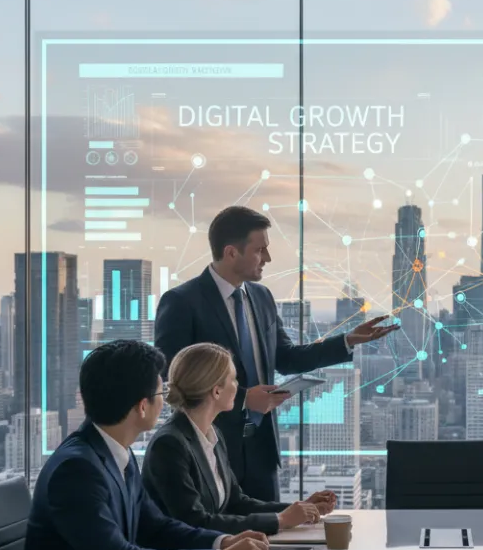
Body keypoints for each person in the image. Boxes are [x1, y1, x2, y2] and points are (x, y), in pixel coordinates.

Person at [155, 206, 395, 501]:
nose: (267, 259)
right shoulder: (182, 302)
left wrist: (347, 341)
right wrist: (244, 398)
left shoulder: (261, 297)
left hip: (262, 450)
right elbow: (172, 375)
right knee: (220, 536)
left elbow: (287, 357)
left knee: (272, 537)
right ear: (231, 252)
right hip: (211, 445)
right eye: (260, 250)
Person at [21, 340, 271, 550]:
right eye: (160, 391)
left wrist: (222, 542)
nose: (165, 399)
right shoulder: (76, 471)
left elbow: (156, 528)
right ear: (142, 406)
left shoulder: (114, 453)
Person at [143, 342, 337, 535]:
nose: (238, 387)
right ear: (216, 391)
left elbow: (237, 503)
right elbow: (195, 522)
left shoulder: (213, 434)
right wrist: (280, 520)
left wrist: (300, 509)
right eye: (233, 380)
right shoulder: (169, 445)